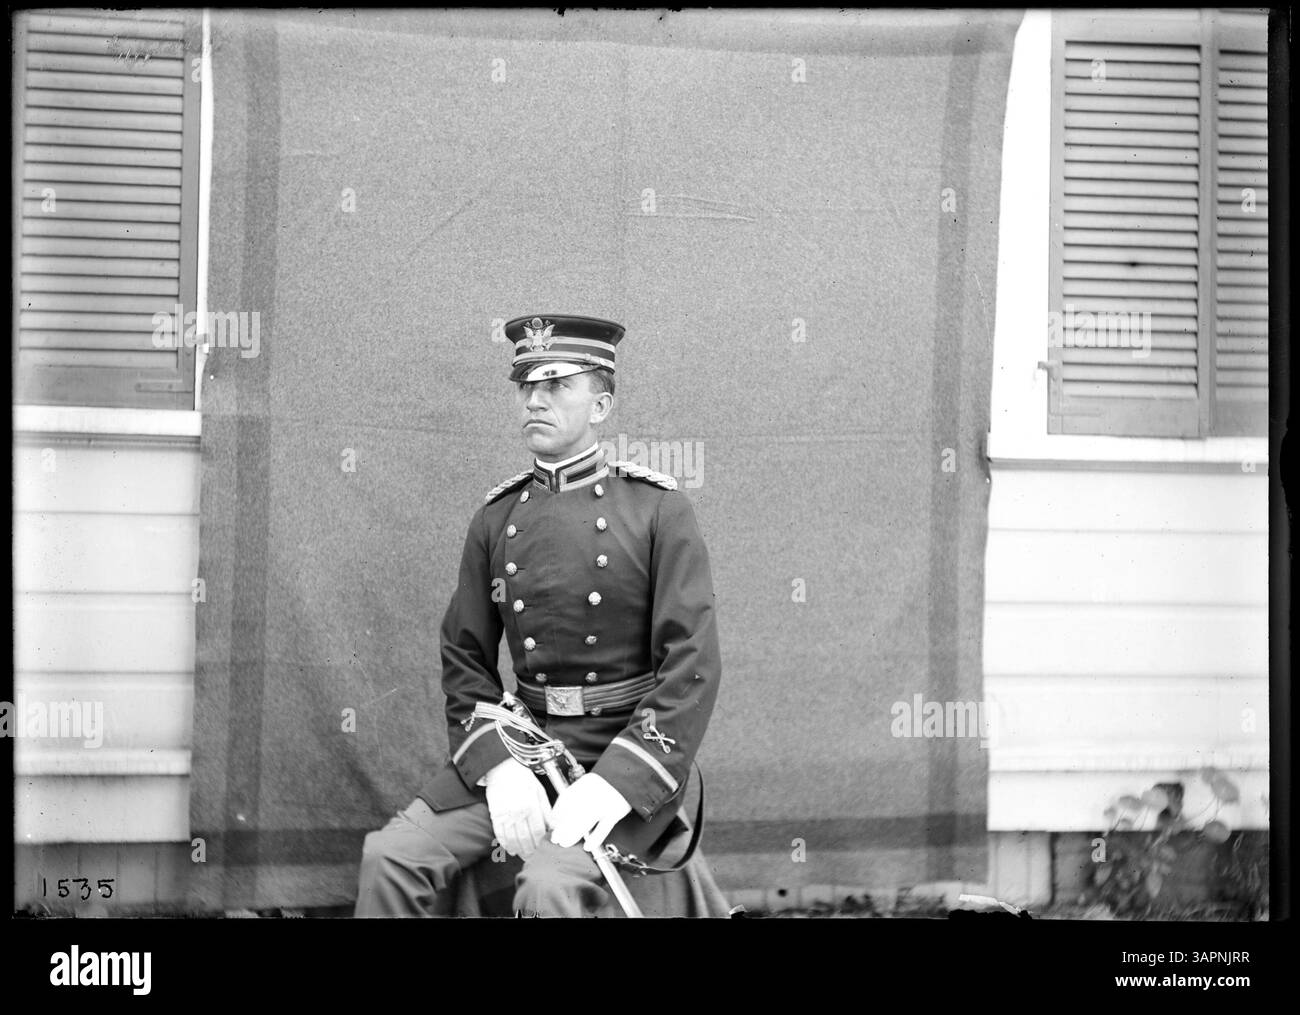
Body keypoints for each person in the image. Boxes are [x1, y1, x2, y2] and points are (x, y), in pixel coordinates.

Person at [354, 314, 722, 917]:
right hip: (526, 746)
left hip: (621, 750)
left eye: (557, 385)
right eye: (526, 386)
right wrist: (499, 767)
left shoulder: (658, 510)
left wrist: (616, 781)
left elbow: (692, 664)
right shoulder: (496, 518)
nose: (535, 400)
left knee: (549, 887)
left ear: (600, 405)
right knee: (390, 857)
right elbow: (464, 655)